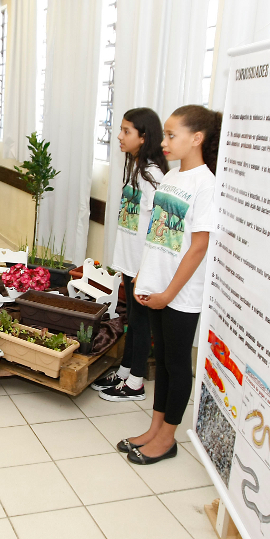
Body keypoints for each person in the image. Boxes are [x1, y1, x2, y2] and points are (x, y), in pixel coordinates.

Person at [119, 104, 219, 465]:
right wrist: (145, 279)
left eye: (172, 135)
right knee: (160, 362)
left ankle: (167, 439)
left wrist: (169, 294)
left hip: (180, 293)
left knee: (177, 366)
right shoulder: (173, 176)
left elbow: (199, 247)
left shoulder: (206, 184)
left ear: (197, 138)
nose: (164, 142)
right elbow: (156, 237)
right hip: (157, 286)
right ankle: (154, 429)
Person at [94, 108, 169, 402]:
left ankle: (136, 382)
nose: (119, 136)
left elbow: (157, 229)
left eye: (127, 131)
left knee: (141, 322)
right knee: (133, 320)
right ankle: (125, 371)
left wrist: (144, 269)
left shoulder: (153, 175)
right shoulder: (137, 167)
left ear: (144, 136)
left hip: (141, 265)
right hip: (129, 260)